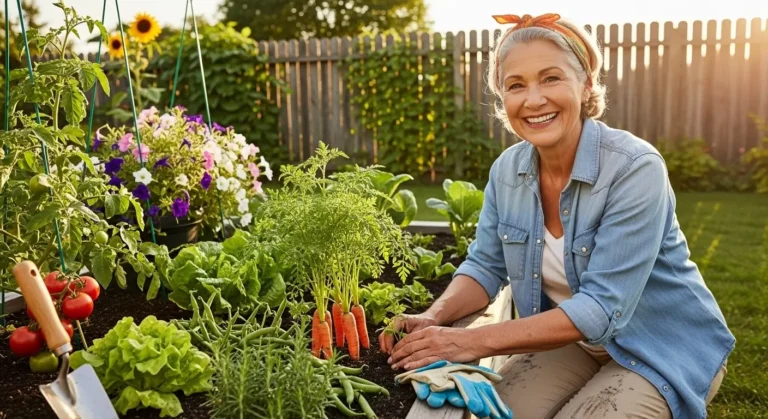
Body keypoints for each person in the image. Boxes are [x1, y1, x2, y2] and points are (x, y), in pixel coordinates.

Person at [379, 13, 735, 419]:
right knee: (502, 414)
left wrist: (468, 343)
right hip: (576, 345)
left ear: (584, 85)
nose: (533, 100)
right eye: (516, 85)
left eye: (551, 78)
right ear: (503, 99)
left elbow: (601, 308)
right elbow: (484, 265)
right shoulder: (507, 171)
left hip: (663, 345)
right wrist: (432, 317)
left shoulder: (634, 167)